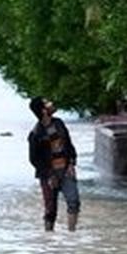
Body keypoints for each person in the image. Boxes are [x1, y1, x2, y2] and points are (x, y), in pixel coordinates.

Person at [27, 96, 80, 232]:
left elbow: (69, 145)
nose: (51, 104)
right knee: (51, 209)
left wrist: (71, 164)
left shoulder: (59, 123)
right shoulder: (35, 134)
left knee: (74, 202)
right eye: (47, 103)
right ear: (43, 111)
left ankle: (71, 235)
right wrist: (50, 175)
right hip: (48, 175)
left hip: (66, 170)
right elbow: (34, 159)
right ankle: (49, 240)